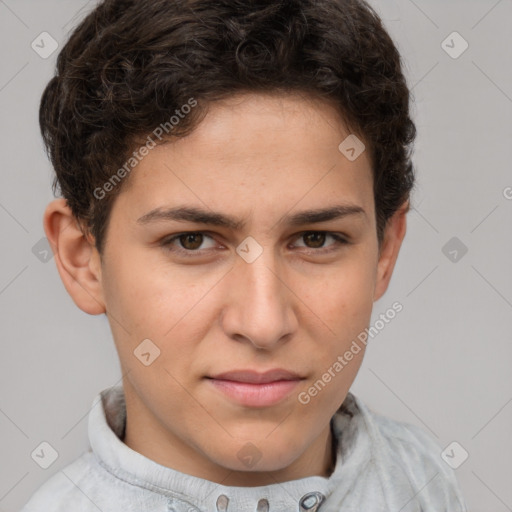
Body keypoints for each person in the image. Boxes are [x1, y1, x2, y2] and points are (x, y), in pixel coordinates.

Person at [21, 0, 467, 510]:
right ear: (84, 261)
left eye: (317, 239)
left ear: (385, 250)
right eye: (192, 241)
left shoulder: (426, 481)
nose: (263, 323)